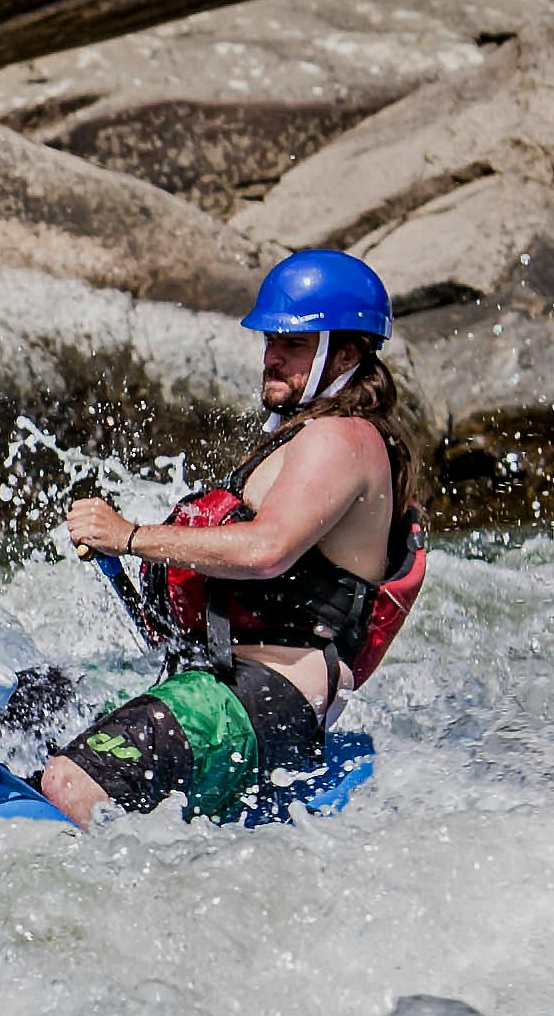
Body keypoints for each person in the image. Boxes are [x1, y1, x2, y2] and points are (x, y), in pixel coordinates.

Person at [42, 249, 428, 825]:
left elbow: (265, 550)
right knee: (32, 701)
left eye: (293, 345)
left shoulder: (343, 438)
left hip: (264, 695)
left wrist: (129, 536)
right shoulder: (303, 435)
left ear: (345, 353)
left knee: (67, 782)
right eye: (271, 340)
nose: (272, 357)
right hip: (227, 682)